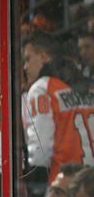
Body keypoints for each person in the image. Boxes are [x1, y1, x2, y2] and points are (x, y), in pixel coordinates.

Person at [24, 31, 94, 183]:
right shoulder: (89, 86)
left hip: (65, 186)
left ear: (43, 57)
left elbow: (40, 151)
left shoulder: (43, 88)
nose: (25, 66)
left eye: (28, 59)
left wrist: (37, 188)